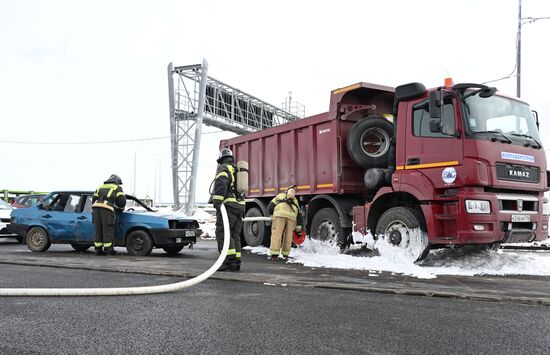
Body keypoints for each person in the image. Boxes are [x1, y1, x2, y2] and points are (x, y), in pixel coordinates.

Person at [211, 148, 245, 271]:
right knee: (235, 234)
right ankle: (236, 262)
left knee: (223, 233)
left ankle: (227, 261)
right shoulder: (237, 169)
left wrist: (217, 202)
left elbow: (221, 184)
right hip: (240, 206)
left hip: (228, 206)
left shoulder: (223, 168)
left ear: (221, 159)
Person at [92, 174, 126, 256]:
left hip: (96, 209)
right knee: (107, 230)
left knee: (98, 229)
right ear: (117, 181)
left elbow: (93, 200)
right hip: (106, 209)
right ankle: (109, 250)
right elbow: (121, 201)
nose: (118, 185)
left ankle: (98, 250)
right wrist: (120, 208)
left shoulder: (100, 187)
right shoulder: (117, 188)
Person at [267, 185, 302, 260]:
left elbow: (270, 206)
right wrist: (298, 231)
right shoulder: (295, 200)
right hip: (291, 218)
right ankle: (285, 254)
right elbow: (299, 216)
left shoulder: (280, 195)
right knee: (288, 236)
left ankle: (274, 255)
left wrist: (271, 216)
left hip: (279, 216)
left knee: (277, 234)